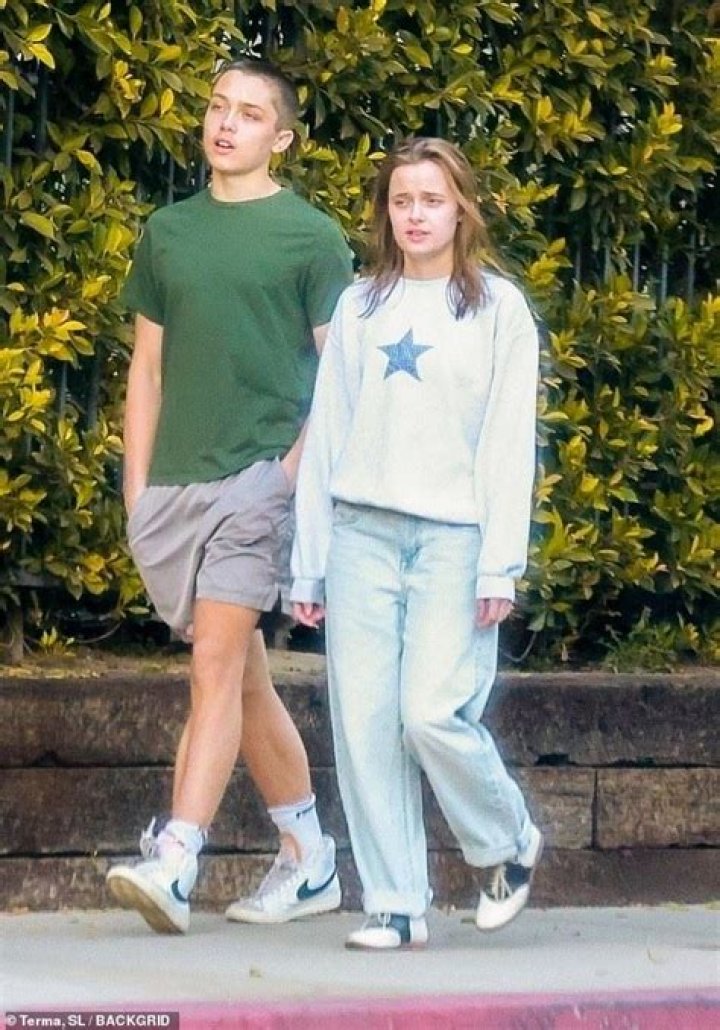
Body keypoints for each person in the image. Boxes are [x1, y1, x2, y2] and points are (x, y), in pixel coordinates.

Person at [106, 57, 354, 934]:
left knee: (212, 663)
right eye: (218, 107)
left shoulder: (312, 237)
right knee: (243, 679)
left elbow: (341, 376)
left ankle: (176, 858)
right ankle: (310, 856)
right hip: (173, 487)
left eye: (249, 114)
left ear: (280, 137)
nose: (226, 123)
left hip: (257, 484)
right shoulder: (168, 231)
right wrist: (137, 485)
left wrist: (286, 475)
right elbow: (147, 366)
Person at [291, 137, 542, 950]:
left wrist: (501, 561)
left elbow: (509, 441)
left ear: (461, 209)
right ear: (385, 213)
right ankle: (395, 905)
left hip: (454, 542)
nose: (416, 215)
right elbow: (328, 433)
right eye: (402, 201)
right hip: (360, 535)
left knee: (431, 712)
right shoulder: (360, 307)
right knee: (364, 727)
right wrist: (309, 563)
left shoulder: (498, 309)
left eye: (432, 200)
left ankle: (505, 842)